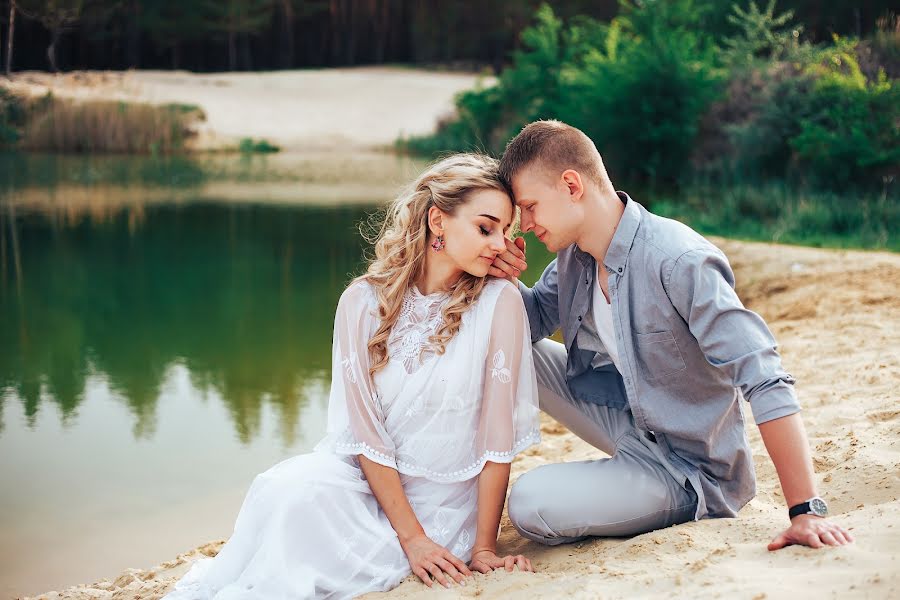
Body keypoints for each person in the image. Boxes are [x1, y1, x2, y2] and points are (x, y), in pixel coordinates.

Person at [164, 154, 540, 600]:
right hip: (366, 485)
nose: (500, 244)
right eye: (486, 228)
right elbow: (366, 435)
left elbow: (495, 439)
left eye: (505, 231)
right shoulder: (361, 303)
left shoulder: (500, 302)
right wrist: (411, 539)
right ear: (438, 221)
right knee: (284, 490)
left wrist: (482, 546)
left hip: (443, 503)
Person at [488, 120, 852, 551]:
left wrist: (805, 510)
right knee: (510, 352)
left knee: (532, 504)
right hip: (630, 420)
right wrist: (506, 279)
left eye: (529, 207)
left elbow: (764, 374)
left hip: (688, 467)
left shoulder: (677, 260)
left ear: (571, 185)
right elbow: (522, 328)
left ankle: (651, 492)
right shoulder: (575, 257)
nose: (523, 224)